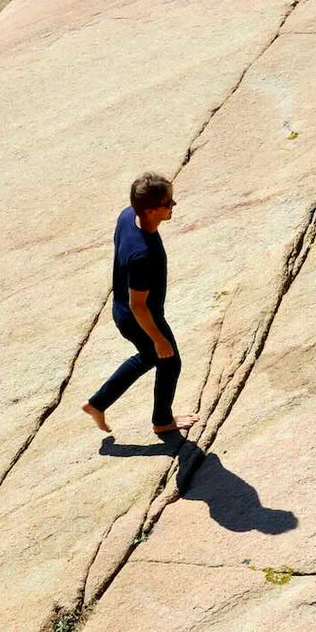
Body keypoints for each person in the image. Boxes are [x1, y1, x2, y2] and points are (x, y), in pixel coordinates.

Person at [82, 172, 199, 435]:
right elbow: (139, 305)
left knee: (150, 358)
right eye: (167, 203)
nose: (173, 206)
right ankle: (162, 422)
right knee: (169, 360)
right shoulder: (142, 256)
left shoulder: (127, 216)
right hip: (139, 317)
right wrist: (158, 337)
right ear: (149, 210)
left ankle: (97, 404)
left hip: (124, 310)